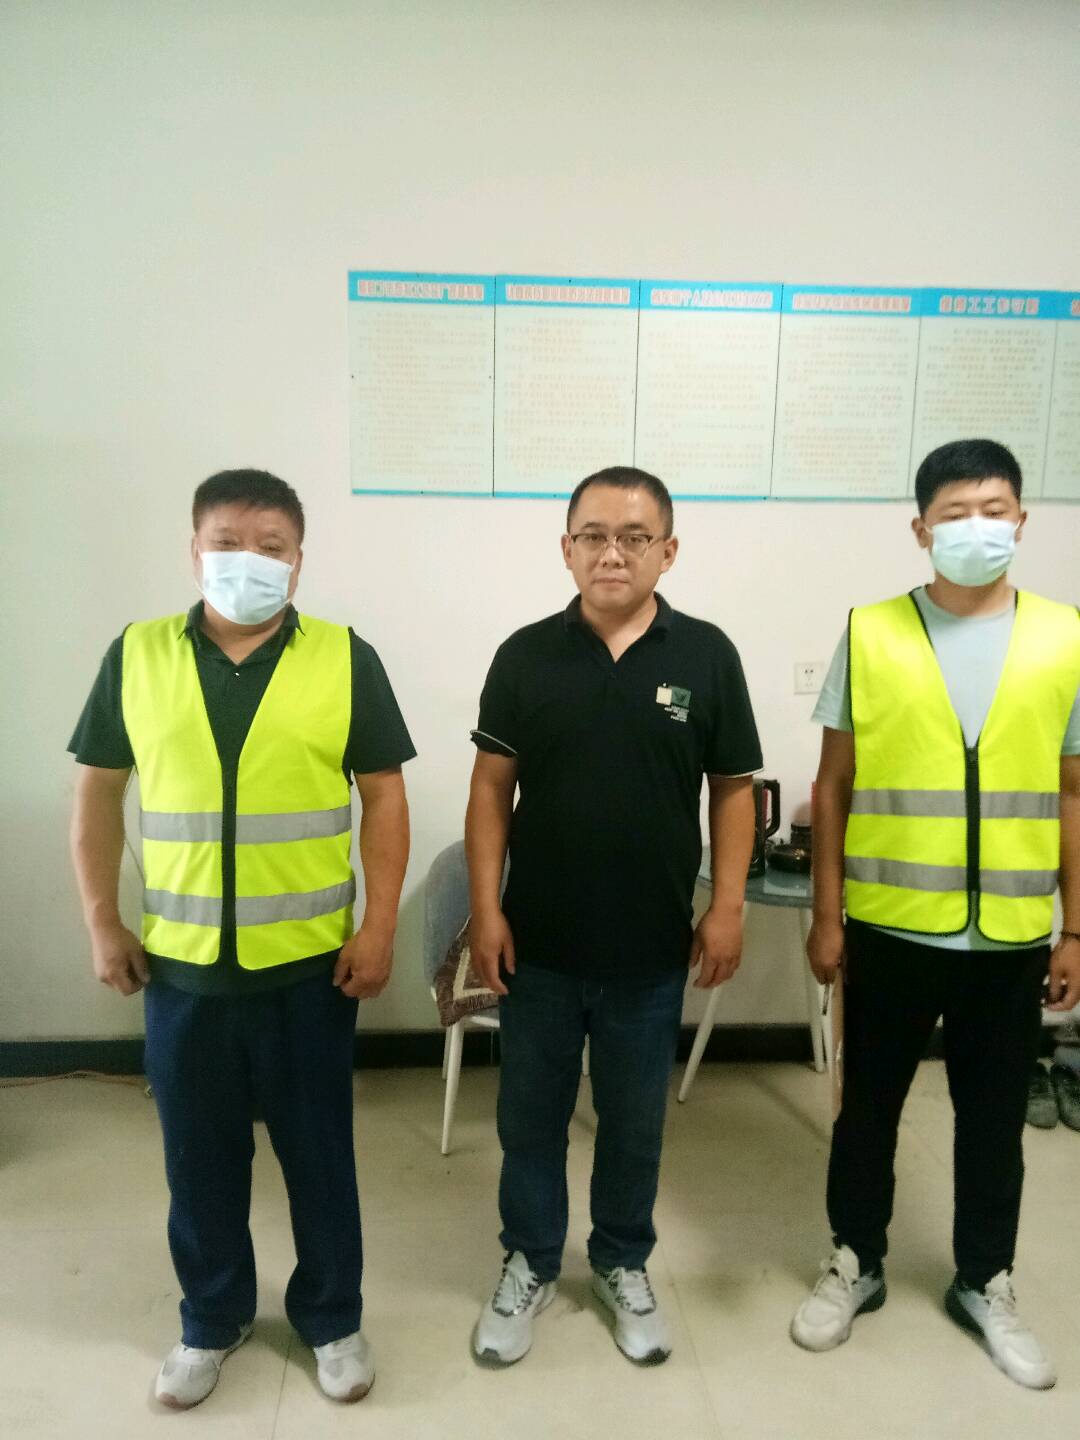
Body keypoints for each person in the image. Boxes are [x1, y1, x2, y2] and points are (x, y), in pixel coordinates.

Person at [68, 469, 414, 1408]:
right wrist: (103, 921)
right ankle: (210, 1318)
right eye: (227, 542)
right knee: (198, 1160)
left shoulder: (343, 657)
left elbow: (384, 795)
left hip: (308, 970)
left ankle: (332, 1317)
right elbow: (98, 793)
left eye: (271, 547)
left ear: (299, 562)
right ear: (195, 550)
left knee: (319, 1155)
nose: (247, 561)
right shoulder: (137, 654)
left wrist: (380, 924)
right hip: (181, 970)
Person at [790, 439, 1080, 1390]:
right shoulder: (871, 631)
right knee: (867, 1110)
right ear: (920, 529)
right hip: (889, 927)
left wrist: (1076, 928)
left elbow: (1072, 793)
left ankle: (985, 1280)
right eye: (955, 514)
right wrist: (826, 915)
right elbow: (833, 786)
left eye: (994, 510)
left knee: (993, 1121)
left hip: (1010, 936)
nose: (975, 528)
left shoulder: (1065, 637)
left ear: (1023, 520)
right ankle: (855, 1261)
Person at [465, 465, 762, 1366]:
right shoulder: (524, 655)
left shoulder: (706, 655)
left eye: (634, 537)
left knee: (634, 1124)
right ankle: (529, 1260)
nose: (612, 553)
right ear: (566, 549)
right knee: (530, 1120)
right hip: (539, 946)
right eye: (593, 535)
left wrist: (727, 905)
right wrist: (485, 909)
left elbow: (734, 791)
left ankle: (622, 1260)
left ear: (668, 551)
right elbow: (490, 791)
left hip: (651, 949)